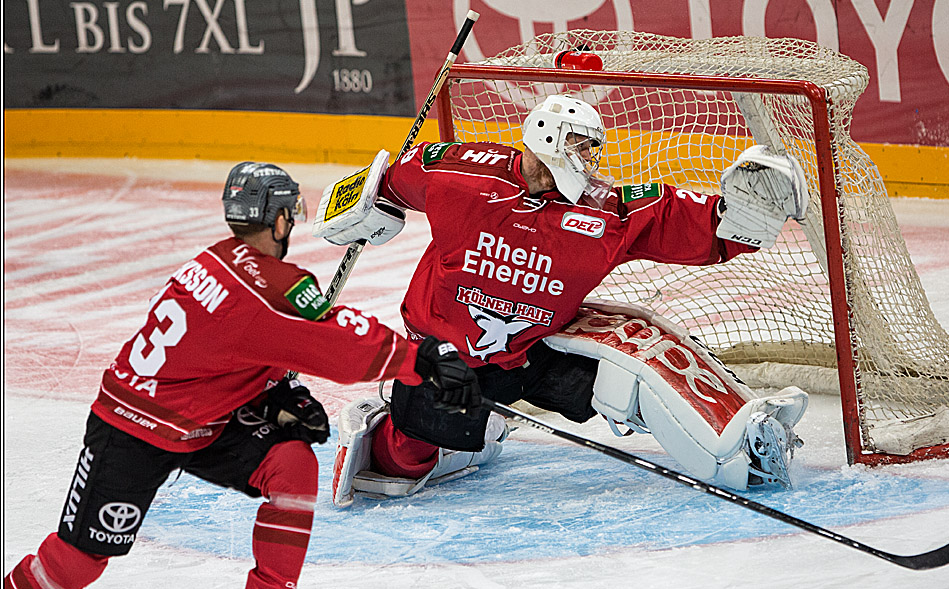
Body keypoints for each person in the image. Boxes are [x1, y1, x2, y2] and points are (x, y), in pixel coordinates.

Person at [2, 162, 481, 589]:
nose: (291, 224)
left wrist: (274, 392)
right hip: (133, 429)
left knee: (291, 461)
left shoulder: (219, 259)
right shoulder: (269, 289)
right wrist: (422, 358)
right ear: (277, 220)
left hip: (202, 417)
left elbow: (230, 347)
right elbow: (335, 342)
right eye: (288, 214)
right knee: (76, 560)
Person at [323, 94, 809, 506]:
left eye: (590, 149)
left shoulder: (604, 213)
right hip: (444, 358)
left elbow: (691, 226)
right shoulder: (461, 178)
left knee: (636, 361)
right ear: (546, 139)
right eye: (578, 145)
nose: (587, 159)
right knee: (400, 470)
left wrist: (741, 215)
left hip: (535, 351)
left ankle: (746, 442)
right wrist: (367, 204)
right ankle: (411, 435)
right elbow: (390, 178)